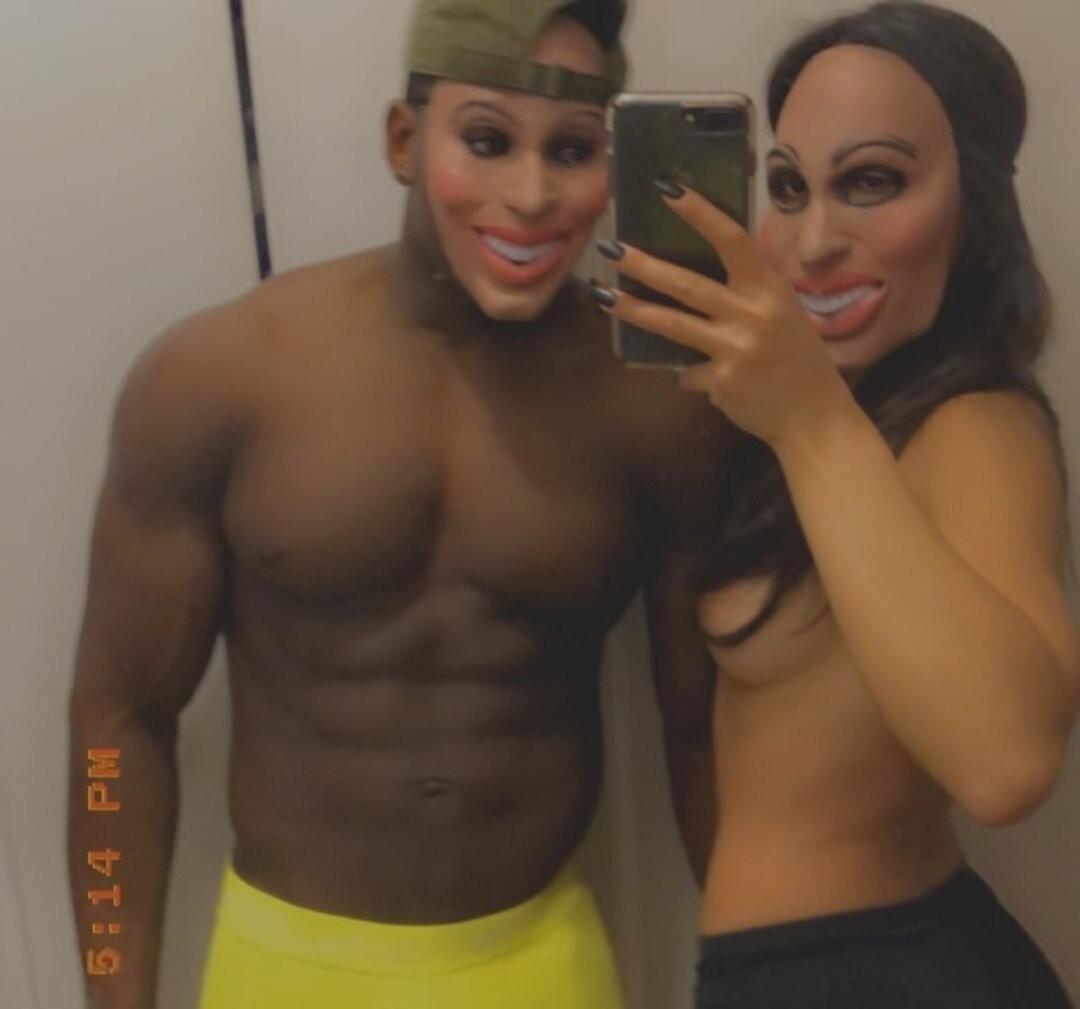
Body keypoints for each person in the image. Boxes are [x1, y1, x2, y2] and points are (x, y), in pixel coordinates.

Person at [66, 2, 733, 1007]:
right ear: (402, 140)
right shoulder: (220, 375)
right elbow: (118, 721)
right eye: (486, 140)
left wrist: (760, 971)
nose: (531, 195)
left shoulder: (654, 407)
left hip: (541, 963)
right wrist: (113, 999)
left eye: (572, 150)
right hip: (283, 967)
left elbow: (703, 732)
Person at [590, 2, 1079, 1005]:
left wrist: (810, 417)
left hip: (890, 971)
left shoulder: (975, 424)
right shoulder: (837, 414)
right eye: (787, 186)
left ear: (976, 204)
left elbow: (1008, 764)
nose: (812, 242)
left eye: (872, 182)